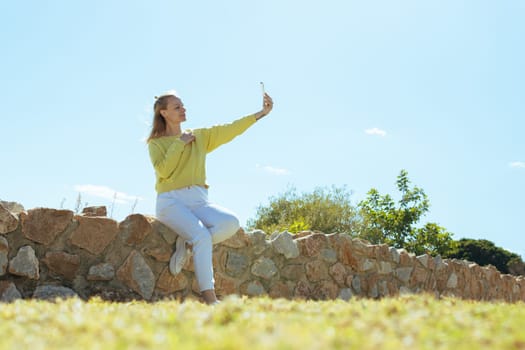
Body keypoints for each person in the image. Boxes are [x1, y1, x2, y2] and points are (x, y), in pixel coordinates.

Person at [147, 89, 274, 305]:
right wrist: (180, 143)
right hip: (171, 201)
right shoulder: (156, 144)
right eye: (177, 107)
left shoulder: (200, 136)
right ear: (164, 113)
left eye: (182, 105)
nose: (183, 109)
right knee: (202, 236)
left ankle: (187, 244)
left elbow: (230, 129)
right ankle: (211, 300)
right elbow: (164, 171)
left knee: (230, 223)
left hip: (199, 200)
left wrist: (260, 113)